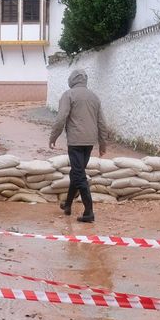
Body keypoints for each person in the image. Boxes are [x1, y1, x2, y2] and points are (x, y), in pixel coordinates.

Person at [48, 68, 107, 223]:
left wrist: (53, 136)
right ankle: (67, 205)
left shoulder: (69, 95)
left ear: (72, 79)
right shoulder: (94, 97)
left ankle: (89, 212)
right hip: (89, 142)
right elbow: (102, 122)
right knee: (76, 172)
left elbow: (61, 118)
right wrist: (102, 143)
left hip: (75, 141)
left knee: (79, 175)